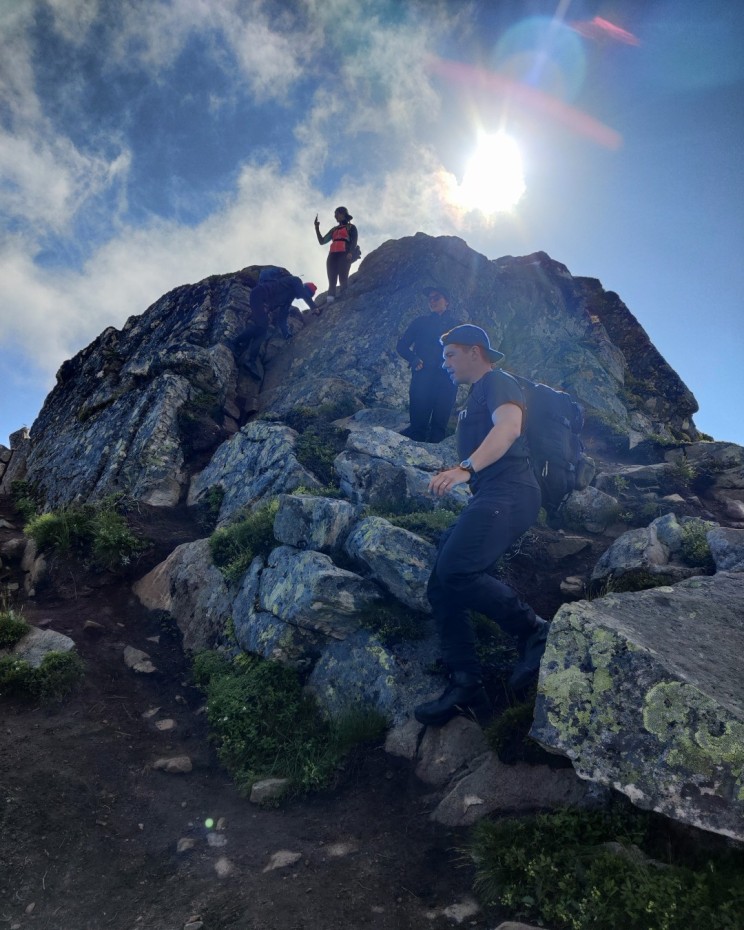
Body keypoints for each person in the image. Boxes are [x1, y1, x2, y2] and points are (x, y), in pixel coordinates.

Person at [414, 324, 549, 727]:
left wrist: (465, 468)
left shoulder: (498, 381)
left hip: (511, 491)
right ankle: (466, 681)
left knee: (457, 569)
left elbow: (508, 428)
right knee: (441, 581)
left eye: (450, 355)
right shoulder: (474, 396)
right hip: (491, 494)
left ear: (476, 351)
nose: (445, 364)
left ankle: (534, 631)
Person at [396, 286, 459, 443]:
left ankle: (435, 466)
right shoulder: (420, 323)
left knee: (439, 429)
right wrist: (413, 358)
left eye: (436, 297)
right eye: (430, 299)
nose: (432, 301)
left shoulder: (458, 326)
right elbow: (402, 346)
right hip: (422, 378)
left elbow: (468, 352)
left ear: (447, 301)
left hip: (447, 380)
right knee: (417, 427)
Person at [235, 271, 317, 378]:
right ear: (303, 289)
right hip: (259, 294)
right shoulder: (295, 280)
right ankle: (243, 351)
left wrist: (287, 334)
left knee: (261, 329)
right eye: (306, 294)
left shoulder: (288, 299)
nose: (301, 297)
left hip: (260, 299)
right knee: (262, 327)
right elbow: (303, 294)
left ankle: (240, 346)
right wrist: (314, 307)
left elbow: (282, 319)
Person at [313, 206, 358, 302]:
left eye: (337, 213)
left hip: (344, 253)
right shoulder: (334, 229)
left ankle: (344, 299)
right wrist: (317, 228)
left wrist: (350, 252)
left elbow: (354, 241)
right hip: (332, 255)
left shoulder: (351, 227)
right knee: (332, 279)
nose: (335, 216)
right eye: (335, 214)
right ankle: (330, 302)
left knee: (343, 277)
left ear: (343, 214)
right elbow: (322, 241)